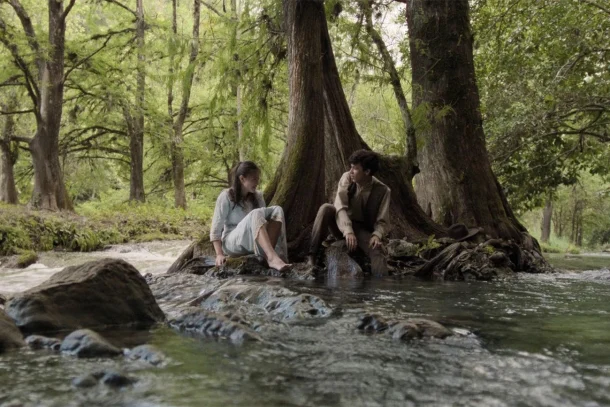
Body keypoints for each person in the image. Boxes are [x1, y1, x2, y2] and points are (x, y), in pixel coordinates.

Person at [307, 150, 391, 276]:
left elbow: (382, 220)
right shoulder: (347, 178)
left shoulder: (383, 190)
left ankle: (381, 284)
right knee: (326, 208)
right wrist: (348, 230)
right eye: (350, 167)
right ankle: (312, 256)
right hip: (341, 224)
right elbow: (340, 206)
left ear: (367, 172)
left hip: (362, 230)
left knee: (377, 250)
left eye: (355, 169)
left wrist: (377, 235)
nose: (351, 171)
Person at [210, 161, 290, 271]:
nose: (257, 182)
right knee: (256, 213)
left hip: (254, 240)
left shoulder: (258, 196)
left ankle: (269, 255)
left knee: (277, 209)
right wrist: (219, 254)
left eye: (258, 179)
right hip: (232, 241)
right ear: (242, 179)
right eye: (254, 179)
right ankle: (271, 258)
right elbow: (215, 229)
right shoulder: (226, 196)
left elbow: (263, 222)